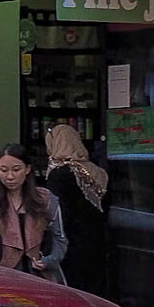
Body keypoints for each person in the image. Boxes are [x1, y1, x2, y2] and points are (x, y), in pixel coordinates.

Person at [0, 144, 67, 280]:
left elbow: (59, 237)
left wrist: (50, 260)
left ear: (27, 169)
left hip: (38, 274)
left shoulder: (45, 199)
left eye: (16, 170)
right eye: (3, 170)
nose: (10, 176)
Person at [44, 122, 111, 295]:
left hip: (71, 244)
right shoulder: (97, 172)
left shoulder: (58, 174)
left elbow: (60, 213)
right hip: (97, 240)